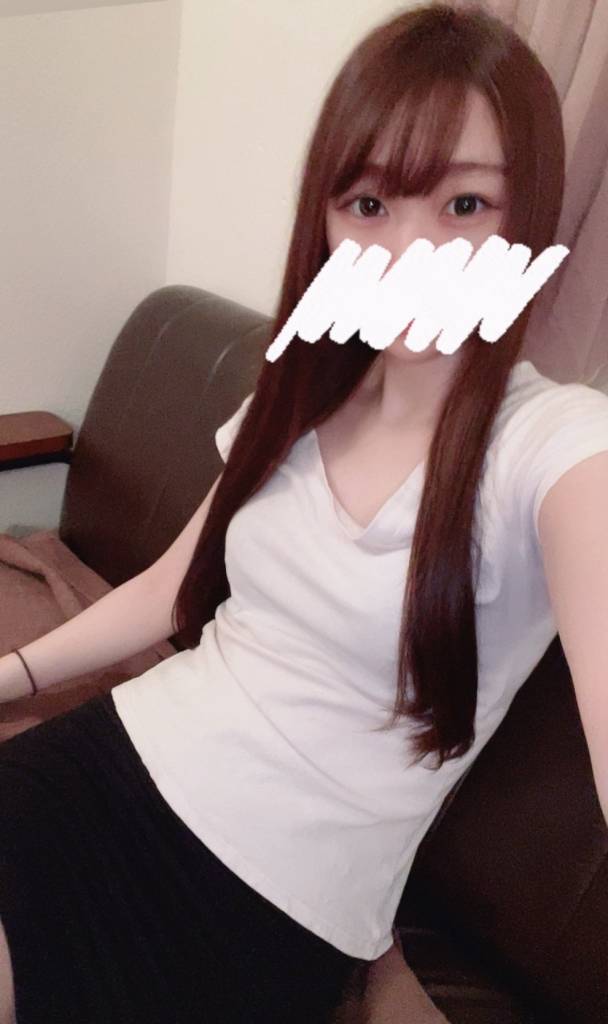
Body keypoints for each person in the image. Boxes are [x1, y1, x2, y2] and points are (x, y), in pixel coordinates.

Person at [2, 4, 608, 1022]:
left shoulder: (554, 446)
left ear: (528, 216)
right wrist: (12, 674)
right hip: (117, 754)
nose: (407, 256)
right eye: (368, 205)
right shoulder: (296, 396)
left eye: (464, 205)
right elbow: (169, 591)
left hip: (262, 898)